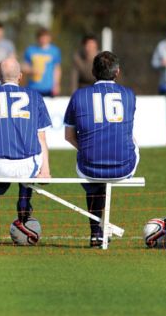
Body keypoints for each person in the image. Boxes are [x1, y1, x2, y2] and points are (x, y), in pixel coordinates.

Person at [0, 57, 52, 245]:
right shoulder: (36, 97)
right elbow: (42, 138)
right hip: (27, 166)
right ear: (21, 76)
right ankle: (23, 210)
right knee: (27, 175)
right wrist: (45, 171)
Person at [64, 51, 139, 247]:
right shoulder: (129, 95)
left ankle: (96, 231)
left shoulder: (79, 96)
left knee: (92, 164)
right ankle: (99, 230)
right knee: (130, 140)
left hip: (89, 167)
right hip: (124, 167)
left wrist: (89, 150)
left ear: (92, 71)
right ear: (117, 72)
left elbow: (69, 137)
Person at [22, 28, 62, 97]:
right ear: (37, 38)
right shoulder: (30, 50)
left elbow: (57, 69)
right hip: (33, 87)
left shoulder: (55, 51)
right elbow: (24, 67)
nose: (43, 39)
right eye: (41, 37)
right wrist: (31, 70)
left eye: (45, 37)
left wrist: (56, 85)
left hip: (49, 89)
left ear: (49, 38)